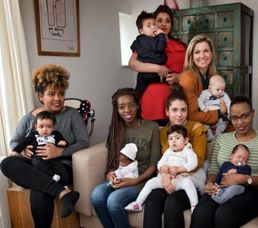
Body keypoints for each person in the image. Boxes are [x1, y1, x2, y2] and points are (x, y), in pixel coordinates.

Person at [0, 63, 90, 226]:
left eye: (61, 93)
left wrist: (60, 152)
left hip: (60, 166)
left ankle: (58, 193)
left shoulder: (72, 115)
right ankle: (64, 193)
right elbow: (15, 141)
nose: (58, 98)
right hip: (36, 165)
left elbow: (84, 142)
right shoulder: (30, 118)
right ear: (40, 96)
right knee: (6, 163)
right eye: (51, 94)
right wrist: (24, 150)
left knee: (39, 191)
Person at [190, 95, 258, 228]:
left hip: (249, 191)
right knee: (200, 214)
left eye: (245, 116)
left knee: (223, 216)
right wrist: (209, 182)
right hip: (220, 187)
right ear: (230, 117)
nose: (240, 122)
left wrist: (242, 178)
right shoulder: (221, 139)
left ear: (252, 114)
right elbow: (214, 169)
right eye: (235, 118)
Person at [91, 88, 160, 228]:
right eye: (121, 107)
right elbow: (112, 161)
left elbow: (154, 165)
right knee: (97, 195)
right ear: (117, 109)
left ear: (137, 105)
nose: (127, 110)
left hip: (143, 180)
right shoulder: (116, 129)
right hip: (121, 176)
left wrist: (134, 181)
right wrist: (110, 175)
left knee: (114, 201)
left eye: (131, 105)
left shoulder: (152, 127)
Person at [143, 83, 207, 228]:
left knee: (172, 202)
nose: (179, 114)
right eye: (175, 110)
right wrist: (163, 173)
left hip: (189, 177)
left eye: (183, 110)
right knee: (152, 199)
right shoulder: (162, 132)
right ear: (167, 112)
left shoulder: (196, 128)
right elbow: (162, 159)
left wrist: (178, 171)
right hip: (168, 176)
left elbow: (199, 160)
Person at [129, 5, 186, 125]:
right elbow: (133, 64)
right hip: (150, 101)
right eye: (159, 21)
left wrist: (178, 77)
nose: (163, 24)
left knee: (174, 139)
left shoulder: (181, 46)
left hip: (174, 102)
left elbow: (189, 70)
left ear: (171, 24)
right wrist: (159, 69)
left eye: (168, 21)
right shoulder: (146, 42)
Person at [125, 125, 198, 212]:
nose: (173, 141)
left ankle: (194, 205)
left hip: (180, 180)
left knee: (188, 183)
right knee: (150, 183)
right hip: (165, 180)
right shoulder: (168, 151)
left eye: (177, 138)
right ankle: (138, 203)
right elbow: (160, 162)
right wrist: (162, 167)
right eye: (170, 139)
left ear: (186, 140)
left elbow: (193, 163)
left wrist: (179, 169)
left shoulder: (187, 151)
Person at [179, 34, 227, 126]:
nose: (202, 55)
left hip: (213, 121)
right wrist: (218, 113)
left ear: (211, 54)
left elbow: (223, 101)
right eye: (197, 52)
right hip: (195, 126)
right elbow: (192, 115)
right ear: (191, 57)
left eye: (206, 51)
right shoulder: (187, 79)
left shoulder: (214, 74)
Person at [11, 111, 69, 182]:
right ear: (36, 127)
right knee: (36, 164)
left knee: (60, 168)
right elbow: (23, 143)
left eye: (49, 127)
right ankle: (52, 176)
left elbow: (63, 142)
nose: (45, 129)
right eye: (41, 127)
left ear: (53, 127)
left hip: (53, 158)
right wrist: (16, 151)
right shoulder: (33, 135)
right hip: (38, 158)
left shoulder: (56, 134)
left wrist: (63, 142)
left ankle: (65, 184)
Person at [130, 11, 167, 97]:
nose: (153, 27)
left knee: (139, 90)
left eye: (154, 24)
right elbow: (161, 46)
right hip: (153, 74)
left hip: (142, 74)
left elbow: (132, 46)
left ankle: (136, 99)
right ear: (141, 30)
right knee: (155, 90)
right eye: (148, 25)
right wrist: (161, 34)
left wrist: (142, 53)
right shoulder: (152, 40)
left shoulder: (138, 39)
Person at [198, 75, 231, 141]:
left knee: (224, 122)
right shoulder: (205, 93)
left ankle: (218, 135)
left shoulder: (224, 95)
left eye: (222, 90)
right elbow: (199, 100)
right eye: (218, 89)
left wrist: (229, 112)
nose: (220, 92)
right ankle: (209, 135)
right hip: (208, 114)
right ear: (209, 88)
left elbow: (229, 103)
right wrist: (203, 107)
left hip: (220, 115)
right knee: (204, 124)